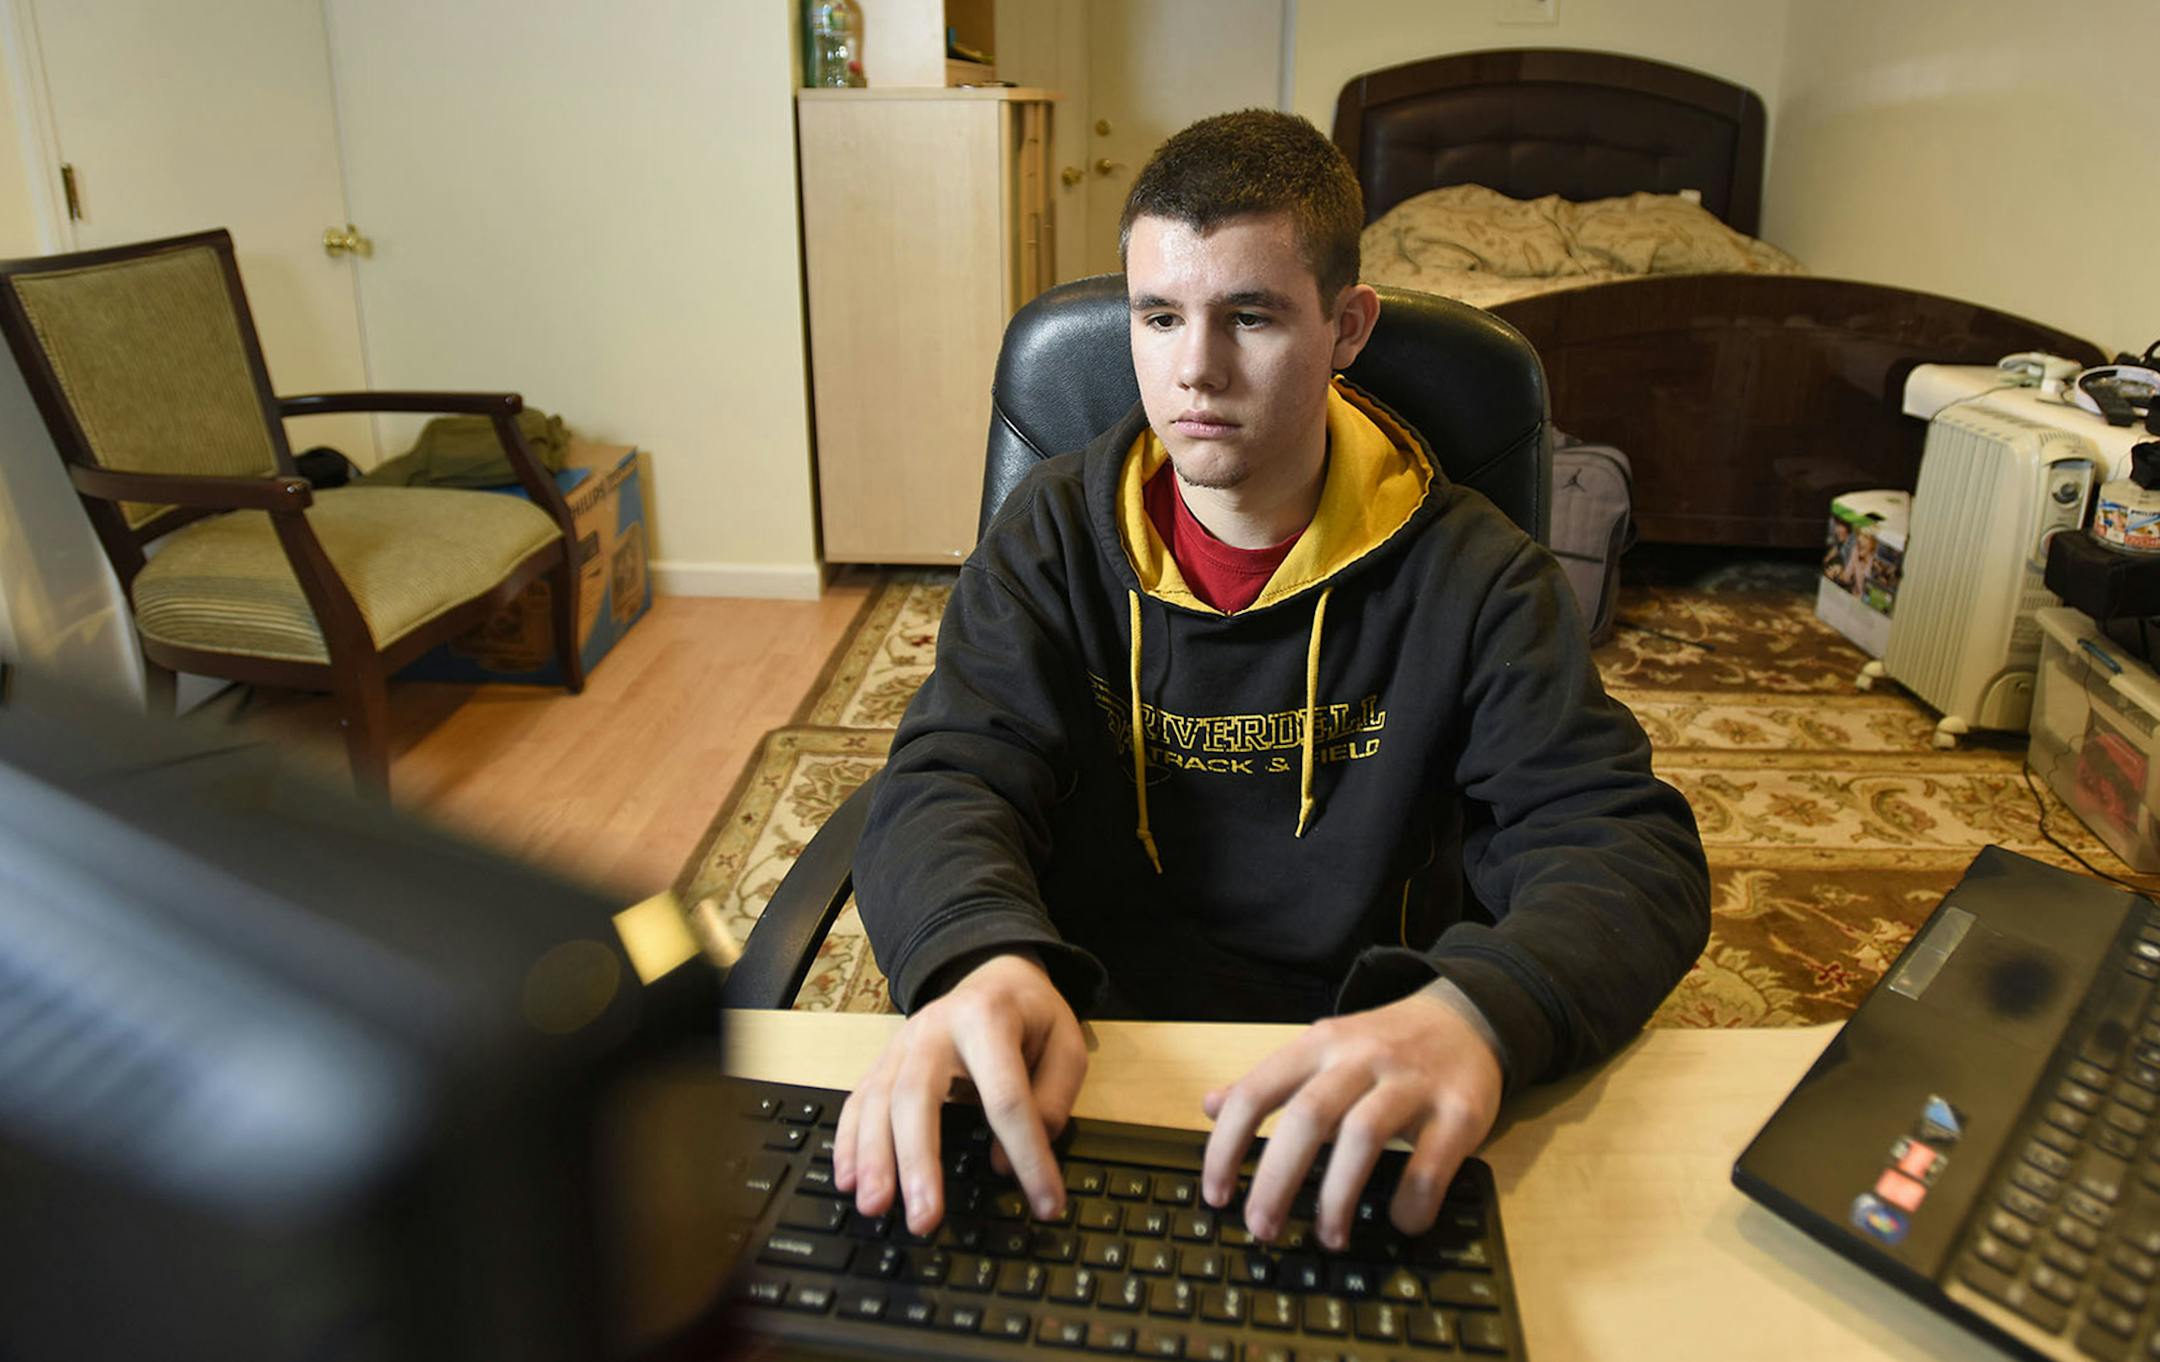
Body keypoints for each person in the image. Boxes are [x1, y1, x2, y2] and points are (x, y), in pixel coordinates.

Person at [832, 109, 1710, 1255]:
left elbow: (1620, 843)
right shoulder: (1051, 528)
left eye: (1250, 316)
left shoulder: (1478, 572)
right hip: (1081, 1051)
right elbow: (954, 772)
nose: (1194, 368)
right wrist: (975, 956)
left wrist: (1481, 1014)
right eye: (1159, 316)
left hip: (1362, 1071)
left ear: (1347, 327)